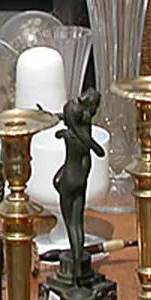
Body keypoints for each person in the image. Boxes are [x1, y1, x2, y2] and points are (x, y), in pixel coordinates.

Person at [53, 89, 105, 284]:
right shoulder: (84, 132)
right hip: (80, 181)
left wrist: (65, 131)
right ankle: (78, 268)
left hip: (69, 180)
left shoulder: (70, 137)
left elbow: (96, 148)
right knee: (78, 223)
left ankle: (76, 270)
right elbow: (91, 145)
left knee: (72, 225)